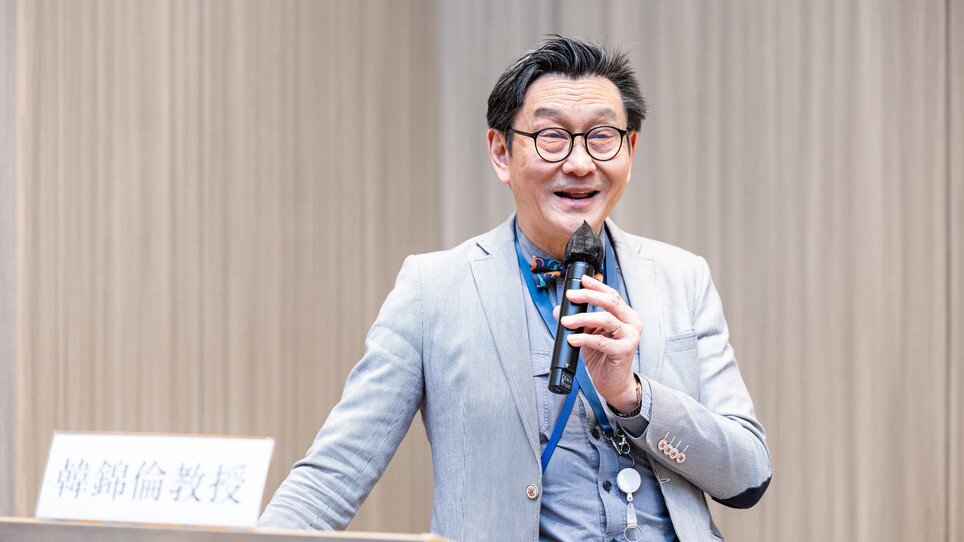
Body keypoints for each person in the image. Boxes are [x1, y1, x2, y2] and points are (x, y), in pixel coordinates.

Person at [259, 35, 771, 542]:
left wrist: (633, 398)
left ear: (629, 150)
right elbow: (335, 473)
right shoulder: (432, 290)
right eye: (552, 136)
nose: (580, 163)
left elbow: (748, 475)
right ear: (501, 152)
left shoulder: (682, 277)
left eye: (601, 136)